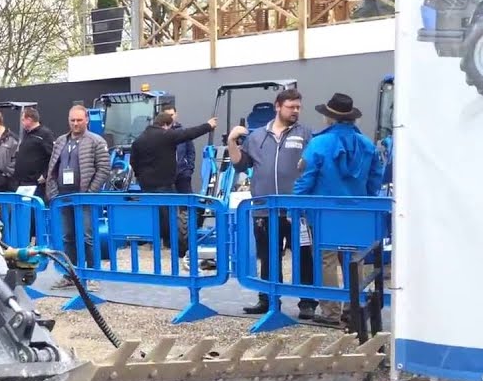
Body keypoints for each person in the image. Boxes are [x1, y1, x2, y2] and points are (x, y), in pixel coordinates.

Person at [294, 92, 385, 327]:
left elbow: (306, 179)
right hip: (358, 210)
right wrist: (365, 199)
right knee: (355, 259)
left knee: (326, 260)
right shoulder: (367, 144)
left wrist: (296, 204)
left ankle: (330, 311)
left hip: (324, 211)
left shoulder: (319, 143)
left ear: (330, 118)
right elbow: (376, 178)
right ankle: (354, 308)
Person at [226, 87, 318, 318]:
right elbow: (240, 165)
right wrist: (231, 141)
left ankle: (307, 302)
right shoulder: (257, 136)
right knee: (268, 257)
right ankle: (268, 300)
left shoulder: (306, 135)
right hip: (265, 210)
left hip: (297, 211)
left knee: (304, 256)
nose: (295, 111)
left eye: (298, 107)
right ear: (278, 106)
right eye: (291, 107)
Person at [128, 111, 216, 268]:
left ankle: (157, 244)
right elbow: (189, 133)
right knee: (171, 215)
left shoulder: (139, 140)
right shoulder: (166, 135)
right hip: (164, 184)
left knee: (155, 214)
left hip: (146, 185)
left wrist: (141, 177)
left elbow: (133, 162)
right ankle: (176, 248)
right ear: (166, 125)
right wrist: (208, 125)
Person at [45, 105, 111, 288]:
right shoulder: (60, 141)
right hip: (63, 197)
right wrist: (53, 193)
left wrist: (89, 193)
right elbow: (52, 169)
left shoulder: (96, 141)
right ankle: (70, 275)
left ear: (87, 120)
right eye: (72, 120)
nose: (75, 123)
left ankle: (93, 275)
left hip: (84, 198)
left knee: (88, 237)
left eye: (79, 120)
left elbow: (104, 169)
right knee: (68, 237)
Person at [15, 106, 54, 195]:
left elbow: (53, 156)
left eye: (23, 120)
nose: (22, 123)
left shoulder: (45, 134)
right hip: (22, 183)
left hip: (36, 184)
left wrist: (45, 175)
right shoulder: (26, 134)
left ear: (29, 120)